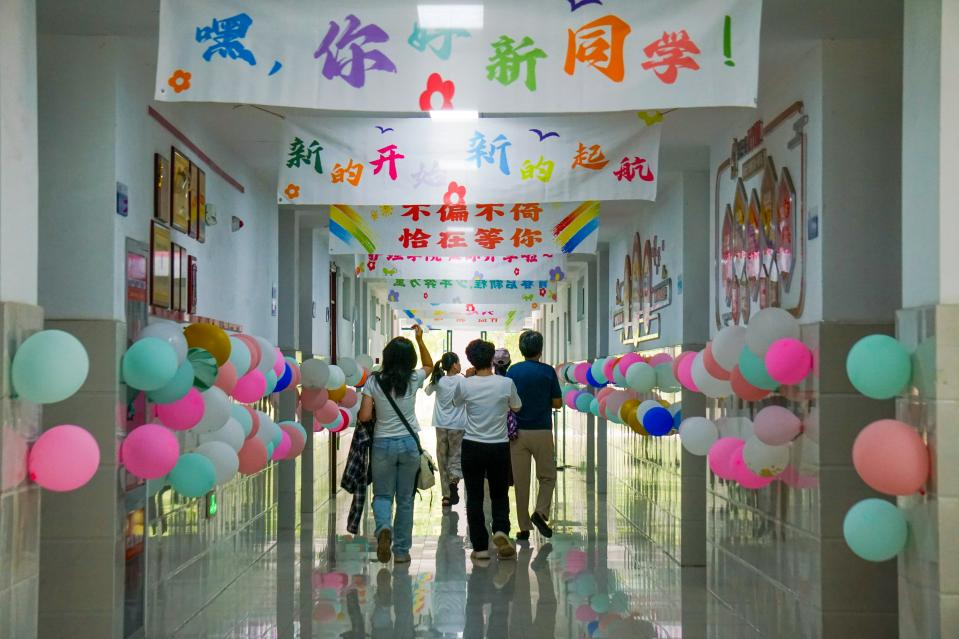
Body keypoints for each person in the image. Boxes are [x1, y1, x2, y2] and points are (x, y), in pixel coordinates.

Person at [358, 325, 433, 564]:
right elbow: (429, 365)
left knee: (382, 495)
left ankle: (383, 528)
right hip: (409, 445)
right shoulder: (414, 378)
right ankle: (401, 551)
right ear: (410, 359)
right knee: (405, 500)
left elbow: (364, 416)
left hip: (382, 444)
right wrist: (420, 340)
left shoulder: (374, 381)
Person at [454, 339, 522, 562]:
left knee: (474, 497)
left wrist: (468, 378)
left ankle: (481, 548)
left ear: (471, 360)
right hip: (498, 446)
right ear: (492, 359)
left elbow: (456, 403)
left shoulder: (465, 384)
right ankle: (501, 530)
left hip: (472, 446)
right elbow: (517, 407)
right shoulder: (506, 383)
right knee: (499, 494)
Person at [506, 330, 562, 540]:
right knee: (547, 476)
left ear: (521, 350)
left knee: (521, 482)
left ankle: (523, 528)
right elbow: (557, 403)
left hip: (517, 434)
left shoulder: (513, 371)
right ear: (540, 350)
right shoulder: (548, 372)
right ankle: (540, 511)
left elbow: (508, 400)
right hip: (542, 431)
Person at [425, 352, 466, 508]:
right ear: (454, 365)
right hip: (458, 425)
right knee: (455, 456)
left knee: (442, 458)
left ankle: (446, 496)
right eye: (459, 362)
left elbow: (427, 391)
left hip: (441, 424)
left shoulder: (439, 380)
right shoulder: (462, 380)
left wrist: (436, 377)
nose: (460, 365)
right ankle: (454, 482)